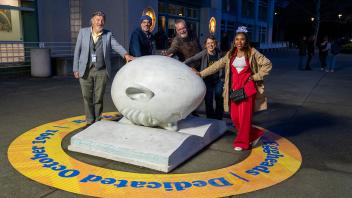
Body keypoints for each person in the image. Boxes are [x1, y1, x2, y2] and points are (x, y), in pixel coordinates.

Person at [197, 26, 272, 151]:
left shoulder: (252, 52)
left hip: (247, 89)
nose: (239, 42)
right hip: (234, 90)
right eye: (237, 39)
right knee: (235, 117)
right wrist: (201, 73)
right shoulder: (231, 54)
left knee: (244, 118)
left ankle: (242, 143)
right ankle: (254, 134)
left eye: (242, 39)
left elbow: (267, 64)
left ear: (246, 41)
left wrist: (255, 76)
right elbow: (216, 65)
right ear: (234, 41)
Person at [73, 11, 134, 127]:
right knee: (87, 97)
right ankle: (90, 121)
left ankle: (97, 121)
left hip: (101, 70)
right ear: (92, 21)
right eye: (97, 20)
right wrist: (75, 68)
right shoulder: (83, 32)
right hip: (85, 70)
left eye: (102, 20)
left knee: (98, 97)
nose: (100, 22)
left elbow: (116, 45)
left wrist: (126, 55)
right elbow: (77, 51)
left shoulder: (108, 34)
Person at [184, 35, 224, 120]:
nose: (210, 45)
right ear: (205, 45)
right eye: (208, 43)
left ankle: (219, 118)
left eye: (212, 43)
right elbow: (192, 59)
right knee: (208, 99)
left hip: (218, 79)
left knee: (219, 96)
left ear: (215, 44)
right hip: (207, 79)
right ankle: (211, 118)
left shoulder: (220, 53)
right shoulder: (204, 53)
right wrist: (182, 64)